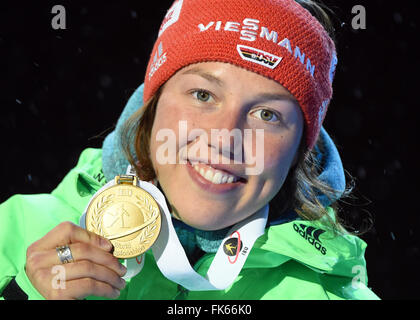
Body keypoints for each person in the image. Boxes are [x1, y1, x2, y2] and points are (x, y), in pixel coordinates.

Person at [0, 0, 380, 300]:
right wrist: (24, 295)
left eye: (267, 114)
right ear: (153, 102)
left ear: (300, 150)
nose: (225, 137)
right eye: (203, 94)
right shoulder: (13, 233)